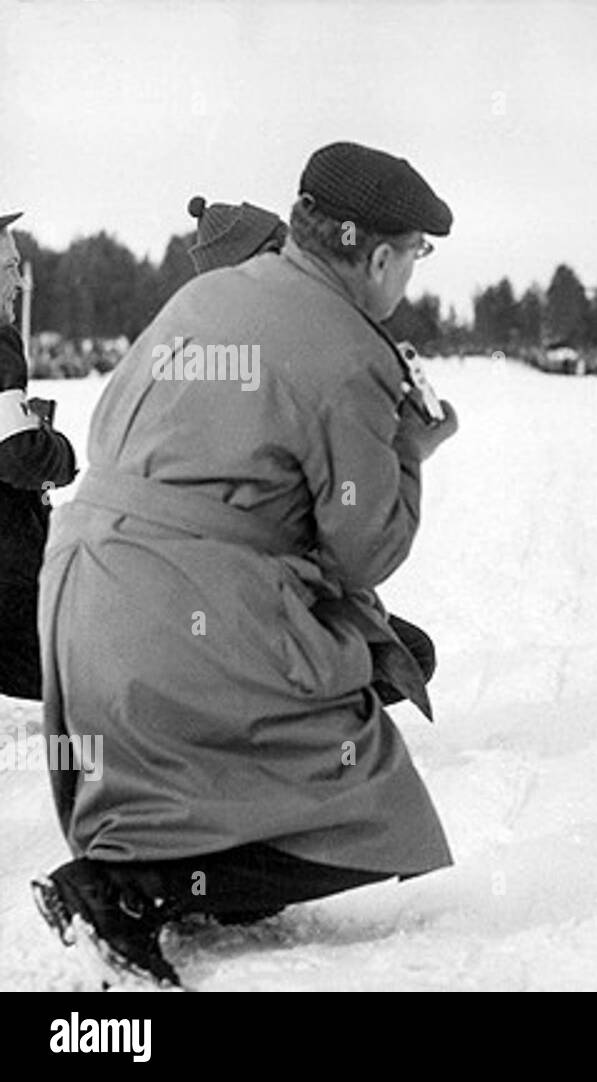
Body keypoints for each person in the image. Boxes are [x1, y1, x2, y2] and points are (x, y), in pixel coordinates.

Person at [31, 142, 459, 987]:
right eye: (414, 255)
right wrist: (408, 450)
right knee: (373, 800)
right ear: (377, 257)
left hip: (83, 594)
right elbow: (364, 548)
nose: (411, 274)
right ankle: (130, 889)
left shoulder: (208, 292)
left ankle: (162, 876)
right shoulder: (350, 350)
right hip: (176, 611)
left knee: (212, 767)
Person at [184, 193, 438, 701]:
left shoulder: (208, 342)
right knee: (398, 657)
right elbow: (353, 545)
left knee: (402, 651)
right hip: (227, 601)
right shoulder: (268, 359)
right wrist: (405, 450)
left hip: (200, 589)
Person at [0, 211, 78, 700]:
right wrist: (62, 453)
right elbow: (16, 452)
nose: (19, 283)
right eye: (9, 268)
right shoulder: (0, 341)